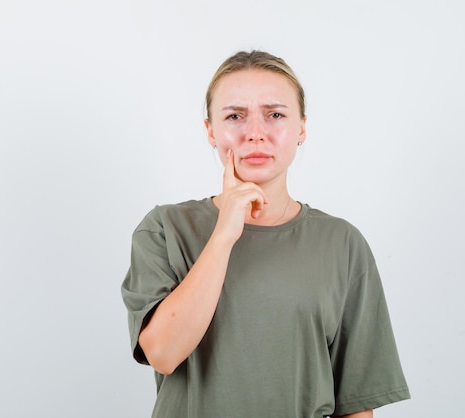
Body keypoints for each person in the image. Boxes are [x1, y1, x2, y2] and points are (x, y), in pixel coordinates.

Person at [121, 50, 410, 417]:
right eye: (234, 116)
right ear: (210, 130)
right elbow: (162, 353)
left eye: (275, 115)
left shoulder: (342, 244)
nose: (255, 134)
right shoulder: (165, 229)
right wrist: (224, 234)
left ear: (301, 127)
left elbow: (356, 401)